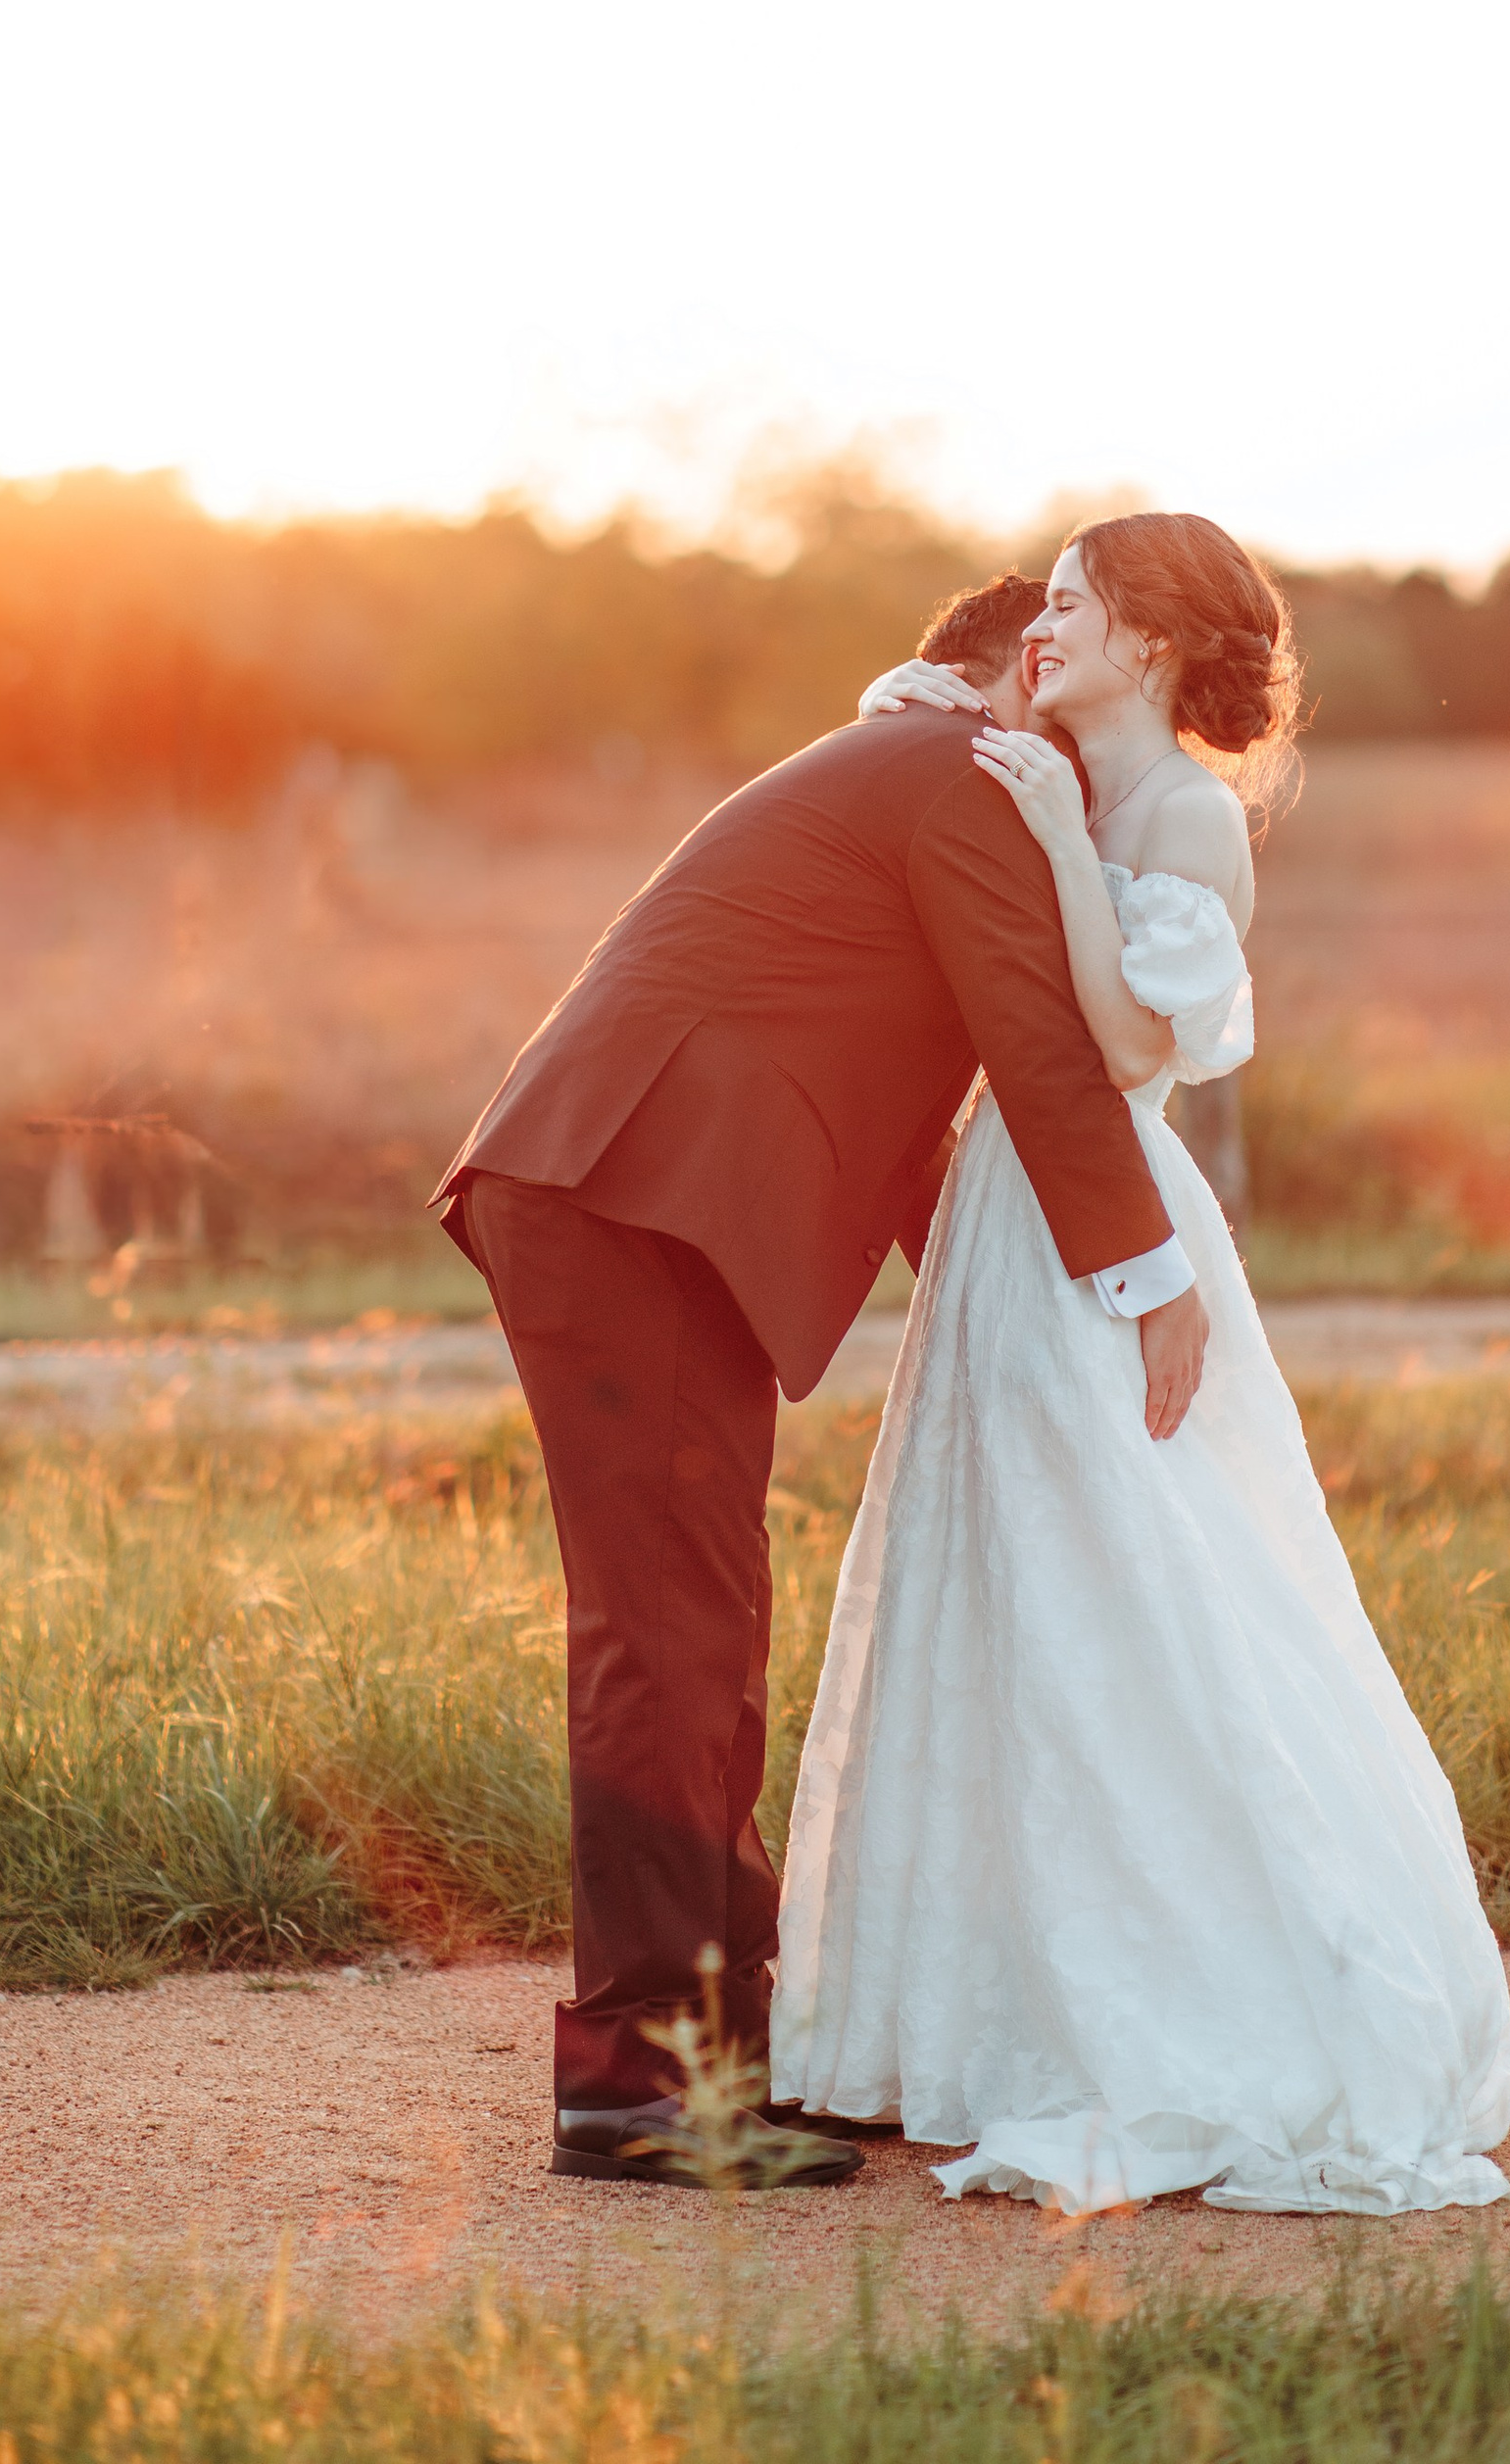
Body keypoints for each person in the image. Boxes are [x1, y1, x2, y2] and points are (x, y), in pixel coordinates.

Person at [769, 511, 1510, 2216]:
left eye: (1073, 603)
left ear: (1159, 644)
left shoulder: (1184, 814)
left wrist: (1045, 843)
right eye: (1038, 602)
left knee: (1138, 1574)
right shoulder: (1032, 756)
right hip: (996, 1218)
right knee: (1003, 1588)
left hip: (1097, 1216)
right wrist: (997, 738)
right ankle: (1001, 2006)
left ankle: (1221, 2001)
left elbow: (1119, 1044)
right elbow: (904, 699)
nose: (1042, 625)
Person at [434, 563, 1195, 2186]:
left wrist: (1019, 1318)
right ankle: (643, 2090)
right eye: (1046, 679)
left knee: (702, 1622)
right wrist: (1146, 1283)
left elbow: (921, 1108)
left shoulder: (899, 778)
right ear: (993, 676)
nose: (1061, 737)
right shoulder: (956, 780)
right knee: (666, 1634)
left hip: (630, 1202)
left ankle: (717, 2051)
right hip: (621, 1201)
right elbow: (1042, 1057)